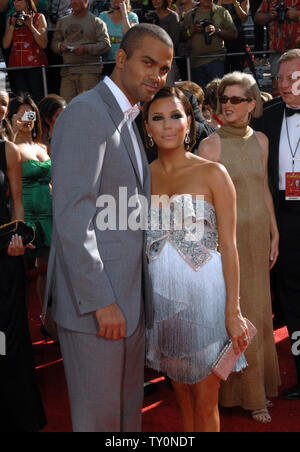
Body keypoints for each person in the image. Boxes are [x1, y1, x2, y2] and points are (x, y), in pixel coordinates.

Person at [43, 23, 174, 432]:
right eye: (148, 62)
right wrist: (101, 301)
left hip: (127, 302)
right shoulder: (86, 113)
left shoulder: (126, 116)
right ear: (121, 59)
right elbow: (73, 216)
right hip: (98, 307)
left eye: (165, 68)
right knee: (100, 422)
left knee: (124, 419)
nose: (157, 75)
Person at [143, 86, 249, 432]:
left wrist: (232, 311)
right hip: (160, 300)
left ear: (190, 121)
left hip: (205, 299)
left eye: (176, 115)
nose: (168, 125)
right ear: (147, 126)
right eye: (157, 117)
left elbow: (230, 247)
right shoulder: (142, 177)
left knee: (206, 403)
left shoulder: (213, 173)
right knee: (183, 399)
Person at [198, 71, 281, 423]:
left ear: (252, 104)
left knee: (260, 313)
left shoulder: (261, 140)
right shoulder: (210, 145)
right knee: (233, 313)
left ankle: (257, 392)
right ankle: (236, 394)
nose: (226, 105)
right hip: (225, 243)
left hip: (259, 234)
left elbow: (264, 189)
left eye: (235, 99)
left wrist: (275, 233)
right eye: (224, 99)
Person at [255, 49, 300, 401]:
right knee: (292, 299)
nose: (283, 85)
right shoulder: (266, 117)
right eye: (279, 78)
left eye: (292, 78)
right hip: (282, 218)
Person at [0, 95, 47, 431]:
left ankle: (16, 415)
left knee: (7, 337)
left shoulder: (7, 150)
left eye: (2, 102)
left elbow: (17, 204)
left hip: (4, 259)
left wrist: (18, 239)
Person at [8, 94, 53, 339]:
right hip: (25, 216)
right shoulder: (9, 147)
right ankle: (20, 327)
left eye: (32, 114)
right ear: (12, 117)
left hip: (48, 214)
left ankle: (48, 321)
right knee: (22, 274)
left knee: (47, 270)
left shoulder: (43, 146)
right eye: (23, 114)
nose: (28, 120)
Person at [51, 0, 111, 103]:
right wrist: (59, 46)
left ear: (86, 2)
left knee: (89, 107)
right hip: (68, 72)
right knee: (66, 109)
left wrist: (85, 48)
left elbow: (105, 45)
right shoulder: (62, 22)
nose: (74, 2)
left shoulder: (96, 22)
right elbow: (54, 44)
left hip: (89, 72)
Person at [180, 0, 237, 88]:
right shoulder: (190, 14)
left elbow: (234, 34)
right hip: (196, 62)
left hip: (216, 60)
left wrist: (217, 30)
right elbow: (182, 37)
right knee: (199, 97)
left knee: (216, 94)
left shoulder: (222, 11)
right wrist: (192, 30)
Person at [2, 0, 48, 103]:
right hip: (17, 66)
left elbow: (43, 44)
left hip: (35, 67)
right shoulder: (11, 19)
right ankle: (25, 119)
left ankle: (38, 119)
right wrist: (12, 25)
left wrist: (30, 26)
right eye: (14, 1)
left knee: (38, 100)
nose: (16, 3)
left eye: (19, 1)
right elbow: (5, 45)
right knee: (22, 101)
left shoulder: (39, 17)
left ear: (27, 2)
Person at [255, 0, 300, 96]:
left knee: (297, 85)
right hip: (277, 51)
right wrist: (269, 16)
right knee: (278, 87)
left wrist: (297, 14)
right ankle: (280, 109)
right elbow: (257, 18)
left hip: (298, 51)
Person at [143, 0, 179, 85]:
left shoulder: (172, 16)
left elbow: (175, 41)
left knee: (167, 86)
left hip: (166, 58)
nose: (155, 1)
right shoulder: (149, 16)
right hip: (150, 58)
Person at [99, 0, 138, 76]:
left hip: (126, 60)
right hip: (107, 62)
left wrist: (124, 14)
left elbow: (129, 36)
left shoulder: (132, 16)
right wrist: (120, 40)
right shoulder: (103, 16)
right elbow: (101, 39)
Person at [216, 0, 250, 73]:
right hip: (220, 38)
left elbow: (244, 18)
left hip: (237, 38)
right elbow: (215, 17)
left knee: (238, 70)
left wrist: (235, 2)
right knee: (222, 70)